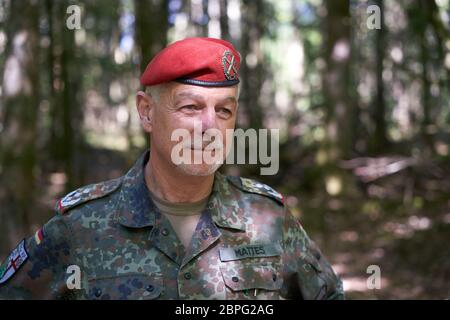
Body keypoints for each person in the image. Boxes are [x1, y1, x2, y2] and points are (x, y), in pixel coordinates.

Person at [0, 37, 344, 300]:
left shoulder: (266, 217)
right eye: (191, 107)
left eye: (224, 111)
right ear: (147, 112)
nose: (210, 127)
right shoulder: (81, 226)